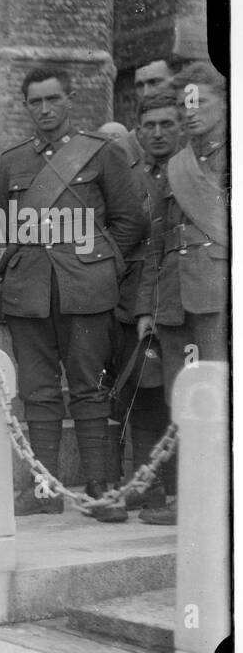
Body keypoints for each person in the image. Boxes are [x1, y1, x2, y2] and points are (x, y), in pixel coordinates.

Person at [0, 66, 147, 523]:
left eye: (53, 99)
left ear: (70, 100)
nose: (44, 109)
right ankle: (45, 488)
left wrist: (100, 263)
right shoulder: (13, 160)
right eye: (35, 102)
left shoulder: (101, 153)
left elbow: (129, 221)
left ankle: (99, 485)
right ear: (26, 106)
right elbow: (6, 222)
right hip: (29, 290)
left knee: (89, 388)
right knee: (38, 392)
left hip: (85, 290)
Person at [136, 62, 228, 526]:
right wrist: (147, 307)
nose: (189, 114)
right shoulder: (176, 166)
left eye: (199, 102)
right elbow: (157, 243)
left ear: (225, 102)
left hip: (220, 295)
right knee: (182, 398)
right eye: (183, 105)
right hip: (175, 299)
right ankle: (194, 496)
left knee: (222, 395)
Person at [111, 91, 181, 517]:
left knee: (182, 395)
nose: (157, 133)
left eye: (166, 124)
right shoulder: (131, 174)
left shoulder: (193, 173)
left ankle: (181, 486)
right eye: (149, 126)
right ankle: (146, 483)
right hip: (137, 296)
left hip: (181, 297)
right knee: (143, 391)